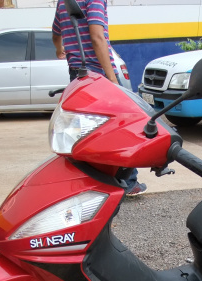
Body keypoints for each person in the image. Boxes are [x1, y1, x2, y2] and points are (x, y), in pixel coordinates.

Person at [52, 0, 147, 196]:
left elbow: (55, 33)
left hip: (76, 72)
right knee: (120, 124)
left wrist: (59, 48)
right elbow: (97, 37)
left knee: (85, 127)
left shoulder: (64, 1)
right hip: (97, 72)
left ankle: (87, 181)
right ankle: (127, 182)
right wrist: (111, 78)